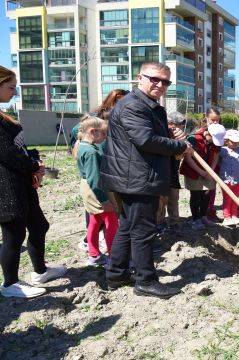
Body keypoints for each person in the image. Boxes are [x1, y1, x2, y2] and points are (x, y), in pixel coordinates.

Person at [0, 64, 66, 298]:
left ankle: (40, 271)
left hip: (19, 181)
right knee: (13, 234)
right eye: (11, 87)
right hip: (3, 185)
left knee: (39, 225)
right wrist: (32, 166)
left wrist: (33, 159)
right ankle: (9, 284)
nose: (14, 92)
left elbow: (15, 148)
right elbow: (3, 152)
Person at [100, 61, 190, 299]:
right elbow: (146, 140)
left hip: (134, 176)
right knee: (143, 230)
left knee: (128, 227)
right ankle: (145, 281)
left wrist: (172, 134)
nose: (160, 85)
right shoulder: (134, 106)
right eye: (154, 79)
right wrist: (181, 146)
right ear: (139, 78)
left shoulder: (148, 106)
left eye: (166, 82)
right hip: (136, 178)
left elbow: (151, 136)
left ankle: (117, 273)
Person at [76, 115, 118, 266]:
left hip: (87, 189)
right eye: (104, 133)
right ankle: (114, 256)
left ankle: (94, 254)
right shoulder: (92, 152)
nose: (106, 137)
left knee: (95, 220)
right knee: (111, 221)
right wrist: (105, 200)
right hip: (97, 190)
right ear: (93, 132)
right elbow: (94, 179)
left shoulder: (83, 146)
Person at [181, 123, 226, 230]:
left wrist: (210, 171)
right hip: (194, 171)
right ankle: (196, 219)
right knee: (196, 195)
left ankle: (203, 217)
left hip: (208, 171)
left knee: (206, 194)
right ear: (207, 133)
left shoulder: (215, 142)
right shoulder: (193, 139)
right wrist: (201, 172)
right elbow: (188, 158)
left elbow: (216, 156)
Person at [156, 111, 186, 233]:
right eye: (178, 125)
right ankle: (160, 223)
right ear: (170, 124)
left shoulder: (180, 138)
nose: (180, 128)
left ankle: (174, 223)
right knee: (161, 202)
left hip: (173, 174)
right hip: (161, 174)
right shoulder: (163, 136)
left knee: (174, 199)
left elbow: (180, 155)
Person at [219, 129, 239, 225]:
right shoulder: (222, 151)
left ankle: (234, 215)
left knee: (235, 198)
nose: (236, 143)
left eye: (237, 142)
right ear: (226, 141)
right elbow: (217, 162)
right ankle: (227, 216)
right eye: (233, 142)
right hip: (226, 180)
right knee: (227, 198)